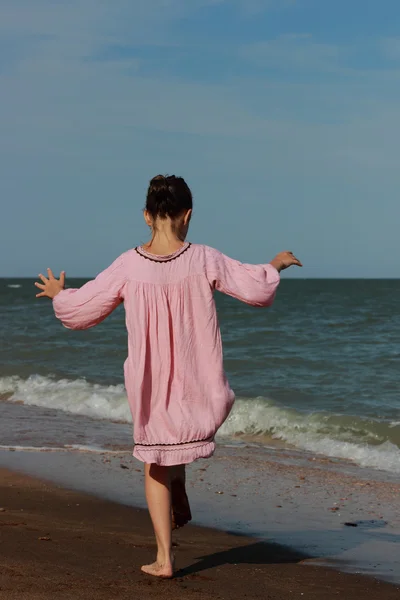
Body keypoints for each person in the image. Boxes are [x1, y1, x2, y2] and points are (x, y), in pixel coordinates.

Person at [35, 174, 302, 578]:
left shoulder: (128, 264)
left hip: (151, 381)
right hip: (196, 379)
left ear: (146, 216)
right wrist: (275, 264)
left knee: (154, 460)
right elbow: (254, 289)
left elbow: (84, 310)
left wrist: (59, 295)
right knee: (176, 438)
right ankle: (177, 483)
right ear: (188, 215)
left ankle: (164, 557)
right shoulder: (204, 258)